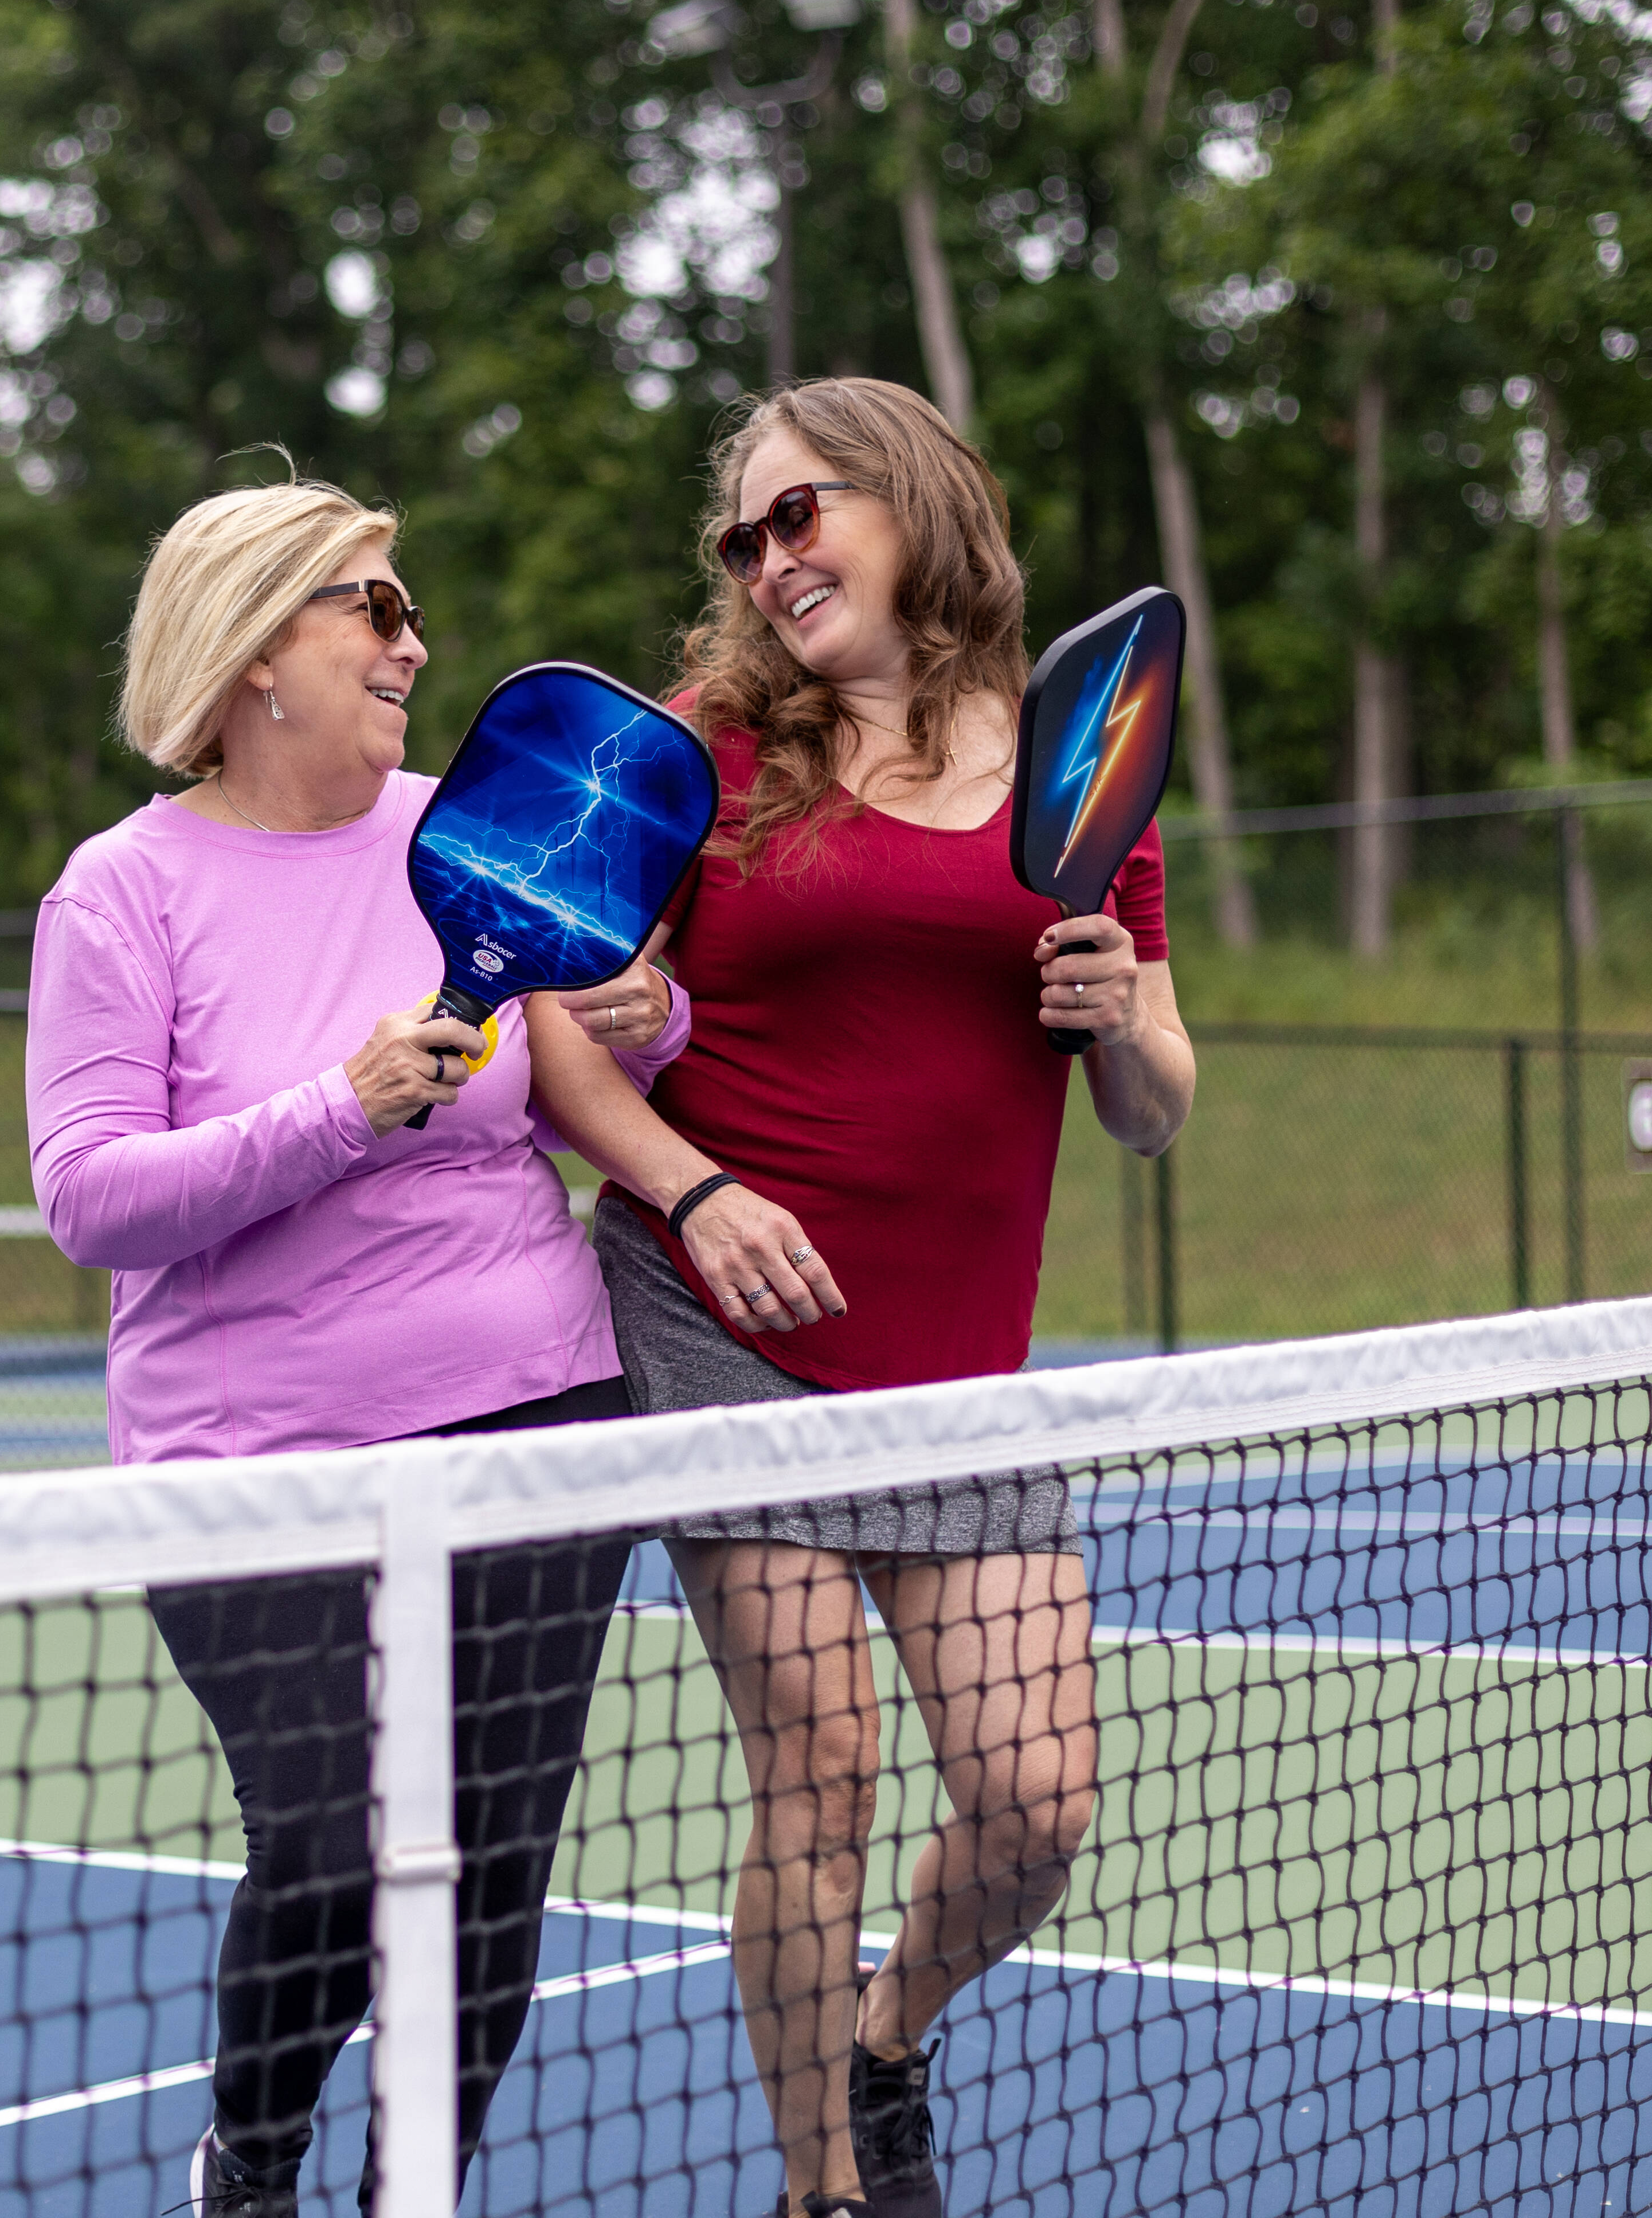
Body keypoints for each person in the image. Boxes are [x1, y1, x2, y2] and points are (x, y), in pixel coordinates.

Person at [527, 378, 1198, 2218]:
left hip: (960, 1377)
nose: (772, 558)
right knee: (818, 1775)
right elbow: (565, 1050)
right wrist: (697, 1187)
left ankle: (889, 2036)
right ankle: (827, 2189)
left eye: (800, 512)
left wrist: (1118, 1018)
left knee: (1037, 1805)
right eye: (744, 537)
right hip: (717, 1320)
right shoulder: (701, 759)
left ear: (911, 499)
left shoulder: (1078, 761)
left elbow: (1152, 1105)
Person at [25, 471, 688, 2218]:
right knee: (326, 1849)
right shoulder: (123, 892)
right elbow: (92, 1199)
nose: (417, 641)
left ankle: (420, 2196)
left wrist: (650, 1016)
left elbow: (565, 1079)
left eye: (409, 607)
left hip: (535, 1414)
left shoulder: (470, 833)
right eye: (375, 608)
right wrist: (340, 1106)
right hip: (256, 1475)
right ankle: (253, 2160)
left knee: (489, 1874)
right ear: (258, 653)